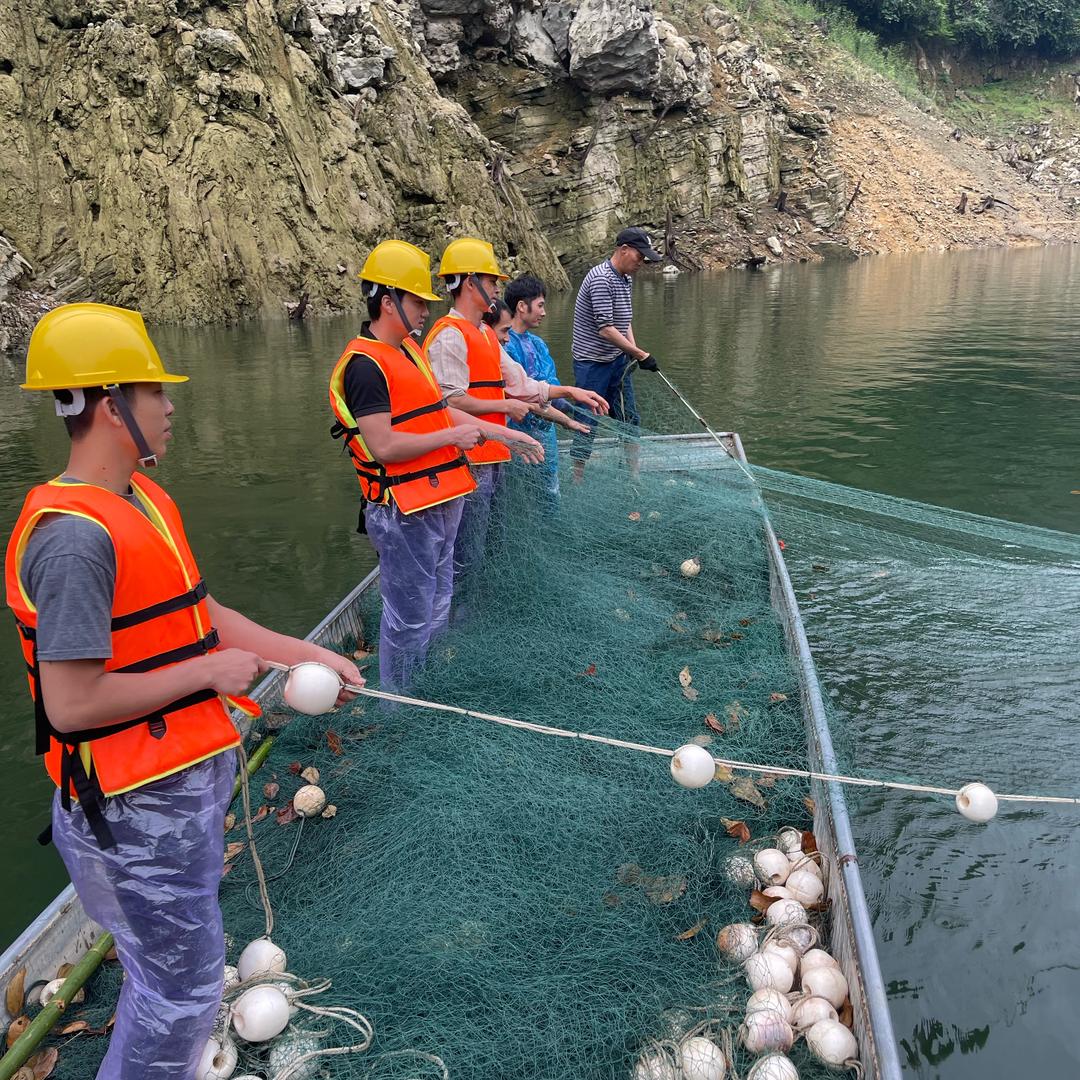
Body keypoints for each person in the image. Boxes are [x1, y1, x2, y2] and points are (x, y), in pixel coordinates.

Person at [4, 303, 363, 1080]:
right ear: (109, 406)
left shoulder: (142, 501)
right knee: (181, 994)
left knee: (182, 980)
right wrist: (207, 674)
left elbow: (202, 616)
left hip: (174, 793)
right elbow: (70, 706)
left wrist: (298, 652)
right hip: (129, 816)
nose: (169, 406)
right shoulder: (73, 541)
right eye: (155, 393)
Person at [329, 240, 535, 690]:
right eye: (417, 301)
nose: (426, 309)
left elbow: (441, 413)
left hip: (441, 495)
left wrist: (505, 434)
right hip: (402, 508)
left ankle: (429, 684)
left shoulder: (409, 351)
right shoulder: (364, 366)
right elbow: (383, 445)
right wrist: (452, 437)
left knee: (438, 600)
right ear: (387, 302)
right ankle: (399, 705)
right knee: (408, 616)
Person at [424, 238, 549, 602]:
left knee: (486, 542)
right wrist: (508, 412)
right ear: (469, 284)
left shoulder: (482, 333)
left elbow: (520, 385)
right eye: (491, 281)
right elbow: (449, 402)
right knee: (466, 549)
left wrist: (568, 396)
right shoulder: (449, 335)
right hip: (468, 460)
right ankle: (459, 619)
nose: (497, 288)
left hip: (494, 453)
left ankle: (475, 607)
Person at [570, 226, 664, 481]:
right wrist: (641, 355)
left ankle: (634, 475)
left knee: (629, 417)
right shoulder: (601, 278)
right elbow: (606, 329)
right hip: (592, 364)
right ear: (623, 250)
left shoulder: (625, 278)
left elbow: (623, 322)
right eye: (639, 256)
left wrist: (634, 352)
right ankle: (577, 477)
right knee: (587, 419)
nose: (641, 263)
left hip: (617, 361)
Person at [498, 277, 602, 505]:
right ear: (521, 306)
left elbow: (549, 386)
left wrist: (572, 409)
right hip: (516, 430)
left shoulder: (538, 344)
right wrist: (566, 416)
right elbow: (520, 393)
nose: (544, 312)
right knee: (516, 494)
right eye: (540, 305)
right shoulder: (504, 345)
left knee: (549, 490)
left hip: (546, 432)